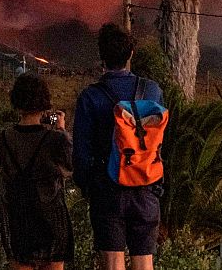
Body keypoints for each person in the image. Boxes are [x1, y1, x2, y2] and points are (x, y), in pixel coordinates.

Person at [73, 23, 164, 270]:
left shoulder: (90, 97)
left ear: (102, 56)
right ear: (131, 53)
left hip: (107, 188)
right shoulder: (152, 91)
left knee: (113, 262)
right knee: (145, 262)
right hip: (145, 186)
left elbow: (80, 153)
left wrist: (87, 186)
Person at [0, 73, 74, 270]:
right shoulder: (55, 139)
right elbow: (70, 167)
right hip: (51, 218)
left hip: (17, 220)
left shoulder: (1, 139)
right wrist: (62, 131)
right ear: (44, 104)